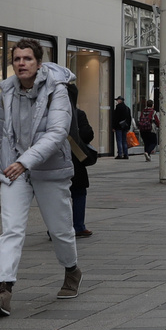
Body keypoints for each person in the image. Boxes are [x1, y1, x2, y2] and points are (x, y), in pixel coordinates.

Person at [0, 39, 83, 317]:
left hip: (49, 170)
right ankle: (4, 291)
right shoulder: (7, 92)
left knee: (60, 229)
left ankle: (72, 271)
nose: (21, 63)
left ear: (38, 63)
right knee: (11, 229)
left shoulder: (56, 90)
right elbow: (1, 134)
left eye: (27, 58)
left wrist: (23, 162)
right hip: (14, 170)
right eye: (17, 59)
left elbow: (57, 132)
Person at [66, 83, 94, 239]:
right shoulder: (78, 114)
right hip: (75, 159)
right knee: (78, 193)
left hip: (53, 160)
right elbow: (87, 135)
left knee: (57, 196)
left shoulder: (48, 114)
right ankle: (78, 226)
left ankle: (56, 228)